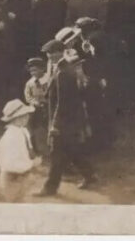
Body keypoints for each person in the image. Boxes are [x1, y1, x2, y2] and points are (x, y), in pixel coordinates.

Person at [36, 43, 95, 196]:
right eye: (47, 53)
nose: (48, 56)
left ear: (59, 53)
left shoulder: (63, 72)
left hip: (64, 119)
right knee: (71, 149)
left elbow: (63, 102)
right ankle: (90, 175)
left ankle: (50, 188)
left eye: (50, 53)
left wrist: (55, 124)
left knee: (56, 153)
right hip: (69, 118)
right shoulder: (61, 67)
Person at [0, 99, 41, 201]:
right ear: (16, 119)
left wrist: (32, 159)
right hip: (12, 177)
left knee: (22, 201)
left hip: (21, 175)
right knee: (15, 204)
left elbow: (27, 150)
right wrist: (32, 164)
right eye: (24, 115)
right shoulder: (11, 136)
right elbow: (10, 163)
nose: (28, 117)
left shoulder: (22, 131)